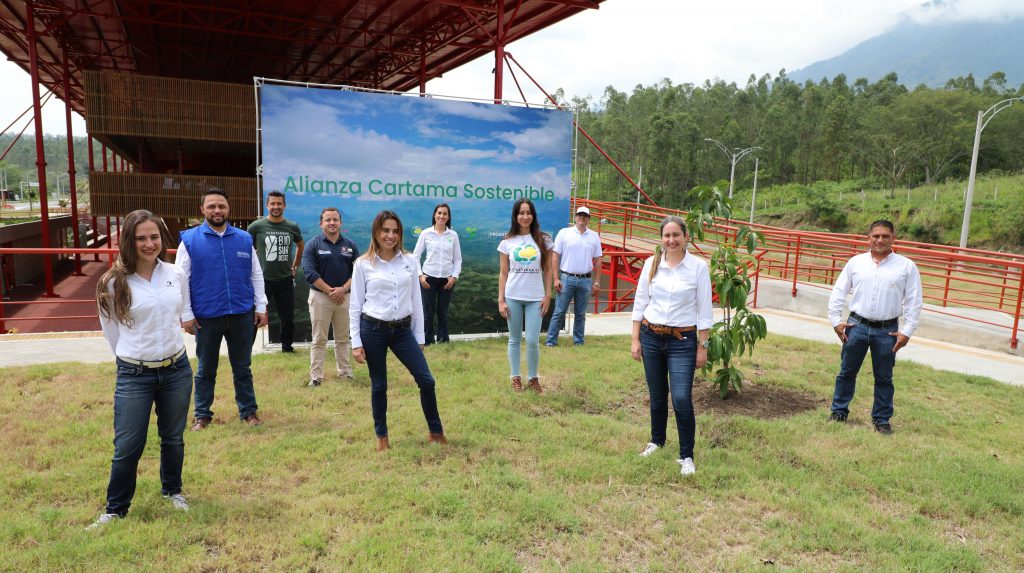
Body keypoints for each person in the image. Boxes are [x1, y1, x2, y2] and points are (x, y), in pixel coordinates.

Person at [89, 210, 193, 529]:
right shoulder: (113, 282)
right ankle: (115, 509)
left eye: (154, 237)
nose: (150, 244)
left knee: (172, 437)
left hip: (176, 368)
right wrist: (133, 358)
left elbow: (182, 311)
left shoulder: (175, 273)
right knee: (128, 445)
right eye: (141, 238)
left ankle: (172, 491)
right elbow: (112, 332)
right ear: (128, 241)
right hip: (135, 374)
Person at [350, 210, 446, 451]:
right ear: (376, 232)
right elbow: (355, 305)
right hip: (372, 329)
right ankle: (382, 438)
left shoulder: (410, 261)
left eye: (395, 231)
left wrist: (420, 336)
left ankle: (436, 432)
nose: (390, 236)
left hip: (403, 331)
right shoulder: (363, 264)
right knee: (379, 385)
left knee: (426, 380)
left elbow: (416, 301)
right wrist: (356, 342)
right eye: (385, 231)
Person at [177, 188, 268, 430]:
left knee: (242, 367)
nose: (217, 210)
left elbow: (255, 275)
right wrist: (186, 315)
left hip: (241, 313)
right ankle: (202, 414)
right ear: (202, 210)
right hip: (206, 316)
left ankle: (249, 412)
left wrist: (261, 306)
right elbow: (181, 280)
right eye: (212, 206)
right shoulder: (189, 240)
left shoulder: (244, 238)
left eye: (222, 206)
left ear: (228, 208)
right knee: (206, 368)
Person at [630, 216, 712, 477]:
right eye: (667, 235)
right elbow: (640, 303)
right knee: (656, 395)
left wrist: (703, 346)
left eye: (677, 235)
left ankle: (686, 455)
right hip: (651, 336)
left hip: (683, 341)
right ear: (661, 238)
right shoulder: (651, 264)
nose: (672, 240)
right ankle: (657, 440)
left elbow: (705, 310)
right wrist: (635, 339)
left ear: (686, 237)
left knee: (680, 398)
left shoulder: (698, 268)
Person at [827, 219, 922, 434]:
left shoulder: (906, 266)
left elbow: (913, 301)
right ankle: (839, 411)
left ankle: (881, 419)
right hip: (856, 325)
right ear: (868, 237)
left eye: (885, 236)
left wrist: (906, 332)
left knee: (884, 377)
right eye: (876, 236)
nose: (880, 240)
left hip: (887, 331)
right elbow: (839, 292)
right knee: (847, 372)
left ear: (893, 238)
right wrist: (835, 321)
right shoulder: (856, 263)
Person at [497, 198, 553, 393]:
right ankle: (515, 377)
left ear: (533, 215)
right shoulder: (507, 241)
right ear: (515, 216)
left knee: (532, 340)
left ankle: (533, 378)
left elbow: (548, 270)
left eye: (528, 212)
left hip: (535, 298)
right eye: (521, 213)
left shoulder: (544, 239)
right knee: (514, 339)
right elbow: (504, 273)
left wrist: (548, 296)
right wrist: (501, 299)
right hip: (512, 295)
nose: (525, 216)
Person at [302, 207, 359, 387]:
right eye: (328, 220)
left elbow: (358, 272)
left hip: (345, 297)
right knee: (319, 339)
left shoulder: (349, 245)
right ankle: (316, 377)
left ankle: (345, 373)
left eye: (335, 219)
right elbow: (310, 273)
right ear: (321, 224)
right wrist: (331, 291)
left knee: (343, 338)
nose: (332, 223)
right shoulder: (313, 245)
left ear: (340, 223)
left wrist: (342, 289)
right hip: (320, 298)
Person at [247, 190, 303, 352]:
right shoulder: (256, 226)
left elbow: (300, 245)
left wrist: (295, 266)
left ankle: (287, 348)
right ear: (267, 205)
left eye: (279, 203)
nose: (276, 206)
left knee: (287, 316)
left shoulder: (292, 227)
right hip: (262, 279)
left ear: (284, 205)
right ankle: (247, 350)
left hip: (285, 278)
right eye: (272, 203)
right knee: (255, 316)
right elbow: (243, 245)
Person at [545, 205, 602, 347]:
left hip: (586, 280)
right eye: (580, 215)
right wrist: (556, 278)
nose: (582, 217)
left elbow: (598, 260)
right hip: (566, 278)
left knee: (581, 314)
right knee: (559, 311)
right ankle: (551, 342)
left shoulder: (594, 236)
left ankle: (578, 342)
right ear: (575, 217)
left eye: (585, 216)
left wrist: (597, 283)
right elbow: (555, 256)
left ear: (589, 219)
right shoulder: (564, 233)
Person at [412, 203, 462, 345]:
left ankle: (443, 340)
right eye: (439, 213)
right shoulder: (426, 233)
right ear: (434, 215)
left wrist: (454, 277)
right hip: (428, 278)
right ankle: (427, 341)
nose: (442, 216)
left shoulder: (453, 235)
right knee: (427, 313)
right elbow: (415, 256)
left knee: (443, 312)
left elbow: (457, 259)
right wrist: (420, 276)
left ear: (448, 217)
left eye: (445, 213)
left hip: (447, 279)